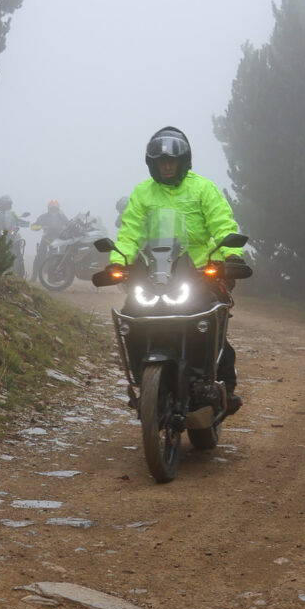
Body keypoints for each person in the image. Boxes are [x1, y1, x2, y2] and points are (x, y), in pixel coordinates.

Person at [109, 127, 244, 415]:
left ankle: (224, 388)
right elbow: (130, 232)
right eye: (161, 162)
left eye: (171, 161)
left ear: (184, 161)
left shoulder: (203, 189)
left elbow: (223, 224)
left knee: (212, 321)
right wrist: (118, 261)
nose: (166, 167)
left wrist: (231, 256)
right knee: (130, 315)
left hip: (199, 270)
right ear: (152, 164)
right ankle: (141, 378)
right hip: (155, 270)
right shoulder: (143, 192)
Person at [30, 200, 69, 282]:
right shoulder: (43, 217)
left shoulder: (62, 217)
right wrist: (41, 226)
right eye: (52, 209)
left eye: (55, 209)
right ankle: (34, 276)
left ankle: (62, 277)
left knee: (63, 258)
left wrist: (65, 229)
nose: (53, 211)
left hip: (60, 241)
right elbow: (33, 227)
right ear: (49, 209)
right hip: (46, 239)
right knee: (39, 257)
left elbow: (69, 226)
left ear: (58, 209)